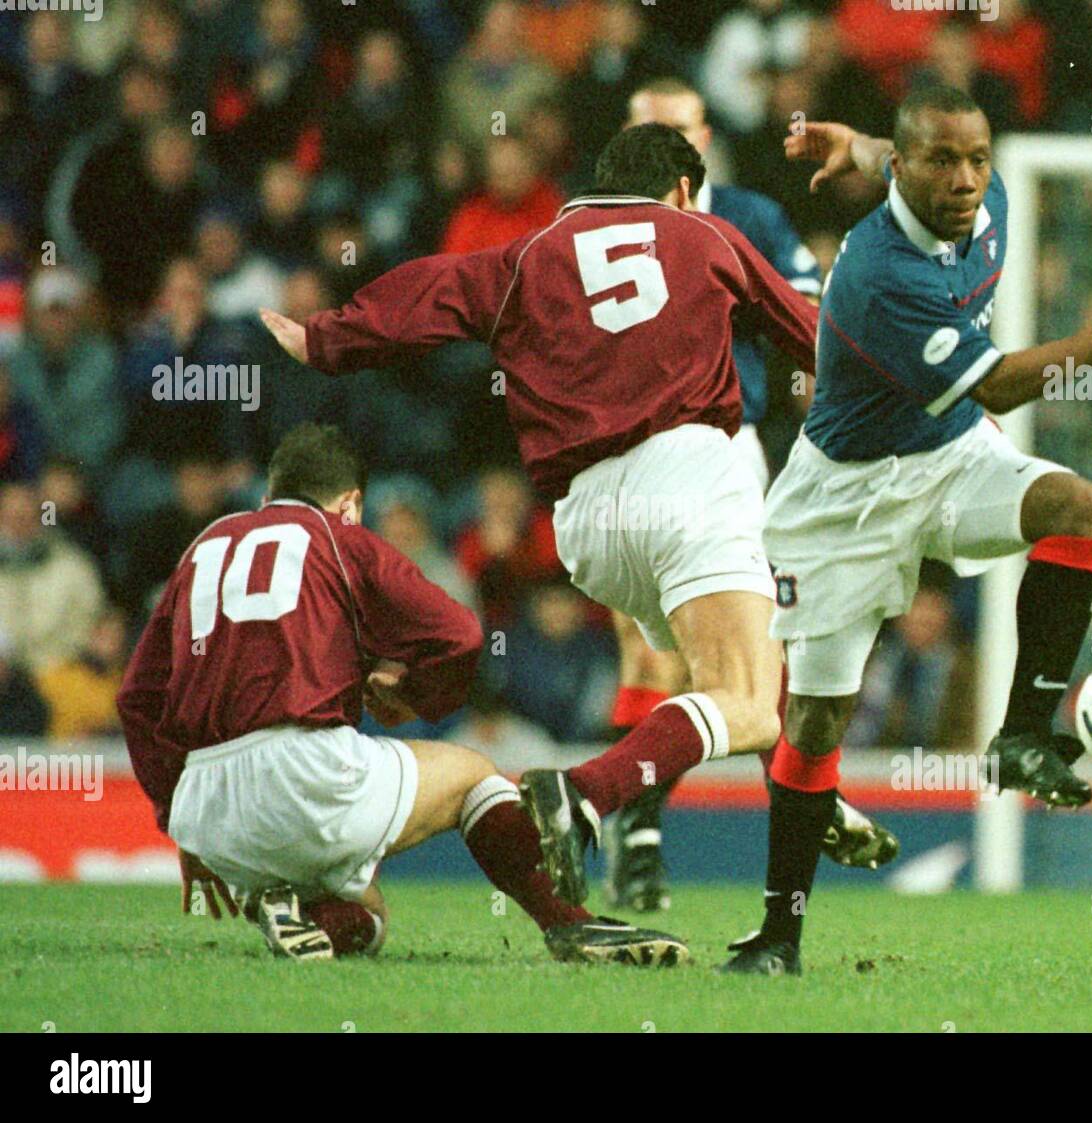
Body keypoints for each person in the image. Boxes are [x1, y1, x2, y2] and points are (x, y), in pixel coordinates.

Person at [259, 124, 818, 943]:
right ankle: (589, 792)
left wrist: (328, 338)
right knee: (750, 702)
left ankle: (745, 801)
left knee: (703, 676)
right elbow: (814, 336)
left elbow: (431, 291)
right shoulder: (705, 232)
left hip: (584, 524)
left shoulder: (524, 256)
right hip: (690, 473)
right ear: (684, 191)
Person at [727, 84, 1092, 974]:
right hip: (846, 499)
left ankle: (1023, 730)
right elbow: (999, 387)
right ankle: (776, 938)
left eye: (977, 159)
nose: (965, 179)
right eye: (941, 161)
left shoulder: (976, 197)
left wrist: (861, 138)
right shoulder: (879, 276)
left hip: (949, 458)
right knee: (819, 719)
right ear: (905, 172)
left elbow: (892, 152)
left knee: (1078, 506)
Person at [117, 422, 686, 967]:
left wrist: (181, 819)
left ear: (271, 492)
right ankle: (568, 921)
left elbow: (138, 698)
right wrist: (413, 695)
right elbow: (461, 634)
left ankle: (293, 910)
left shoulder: (205, 545)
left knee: (368, 919)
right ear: (351, 502)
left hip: (207, 808)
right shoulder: (341, 537)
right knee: (473, 775)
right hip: (303, 773)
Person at [604, 78, 896, 914]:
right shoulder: (586, 226)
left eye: (679, 129)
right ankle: (769, 799)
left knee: (724, 636)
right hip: (623, 444)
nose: (663, 142)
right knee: (669, 645)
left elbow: (806, 305)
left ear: (705, 141)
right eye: (647, 128)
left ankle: (635, 822)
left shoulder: (751, 218)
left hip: (725, 447)